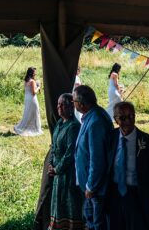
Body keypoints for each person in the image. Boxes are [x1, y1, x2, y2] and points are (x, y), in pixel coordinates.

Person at [106, 102, 149, 230]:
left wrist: (148, 195)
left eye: (131, 116)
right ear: (115, 119)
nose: (128, 121)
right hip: (115, 193)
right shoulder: (110, 138)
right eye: (123, 118)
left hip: (137, 194)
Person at [73, 85, 113, 230]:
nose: (73, 104)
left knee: (97, 223)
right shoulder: (91, 116)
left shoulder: (96, 121)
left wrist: (91, 185)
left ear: (81, 104)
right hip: (91, 186)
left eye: (74, 101)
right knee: (91, 221)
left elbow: (98, 159)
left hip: (96, 188)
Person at [48, 93, 84, 230]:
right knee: (58, 205)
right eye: (58, 104)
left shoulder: (74, 126)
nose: (59, 107)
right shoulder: (59, 123)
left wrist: (57, 169)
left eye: (62, 105)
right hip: (58, 175)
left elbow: (70, 153)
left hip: (69, 174)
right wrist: (51, 164)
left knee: (70, 206)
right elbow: (54, 146)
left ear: (70, 107)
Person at [14, 67, 43, 136]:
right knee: (34, 112)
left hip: (27, 98)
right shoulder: (32, 81)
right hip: (32, 99)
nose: (35, 73)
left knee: (27, 113)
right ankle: (34, 128)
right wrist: (38, 86)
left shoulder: (26, 80)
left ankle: (24, 126)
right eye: (35, 72)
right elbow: (33, 92)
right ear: (32, 73)